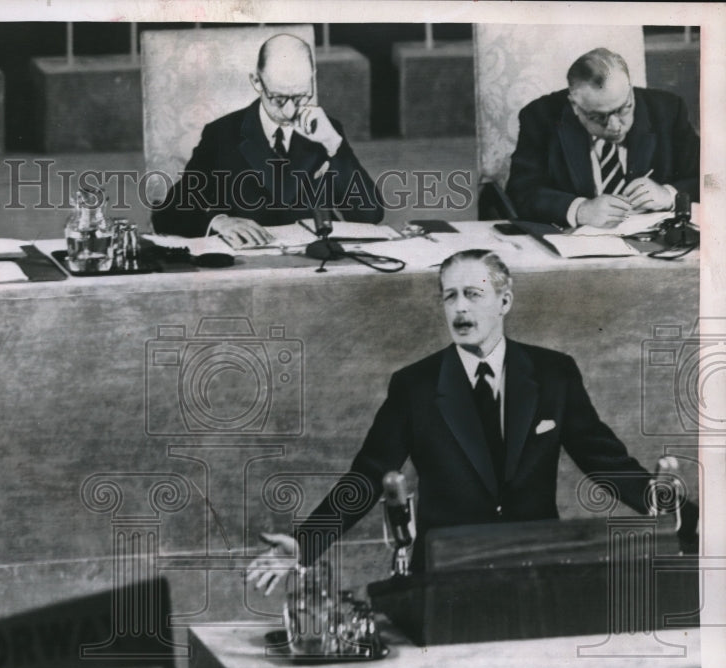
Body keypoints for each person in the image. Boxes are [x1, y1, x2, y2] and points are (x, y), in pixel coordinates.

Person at [248, 249, 698, 592]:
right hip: (444, 573)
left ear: (504, 301)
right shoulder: (416, 385)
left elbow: (607, 464)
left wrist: (699, 526)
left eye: (474, 294)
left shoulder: (553, 374)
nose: (460, 308)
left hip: (536, 566)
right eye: (450, 296)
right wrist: (307, 545)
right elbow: (367, 475)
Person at [150, 33, 383, 247]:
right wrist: (218, 221)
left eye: (302, 95)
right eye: (279, 98)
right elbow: (167, 214)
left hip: (314, 263)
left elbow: (370, 216)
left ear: (313, 78)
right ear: (257, 82)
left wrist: (334, 145)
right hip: (248, 268)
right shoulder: (222, 134)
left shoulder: (327, 130)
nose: (291, 110)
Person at [506, 47, 699, 229]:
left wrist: (669, 195)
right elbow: (521, 191)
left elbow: (712, 179)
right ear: (575, 105)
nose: (615, 126)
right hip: (577, 246)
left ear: (630, 91)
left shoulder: (668, 110)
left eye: (624, 108)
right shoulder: (540, 117)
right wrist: (580, 209)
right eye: (598, 117)